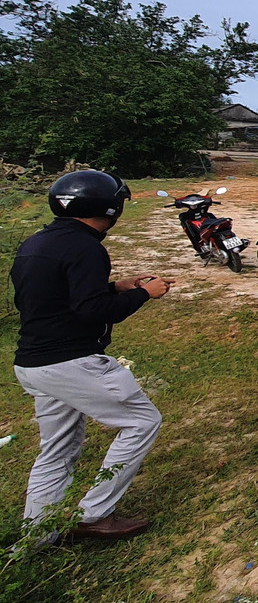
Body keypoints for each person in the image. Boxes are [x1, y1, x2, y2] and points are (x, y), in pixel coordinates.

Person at [11, 170, 174, 543]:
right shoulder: (86, 248)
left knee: (57, 449)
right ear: (110, 208)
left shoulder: (38, 242)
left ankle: (37, 536)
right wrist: (144, 293)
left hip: (34, 363)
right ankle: (95, 514)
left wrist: (115, 286)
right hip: (72, 361)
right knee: (142, 421)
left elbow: (55, 296)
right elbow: (93, 311)